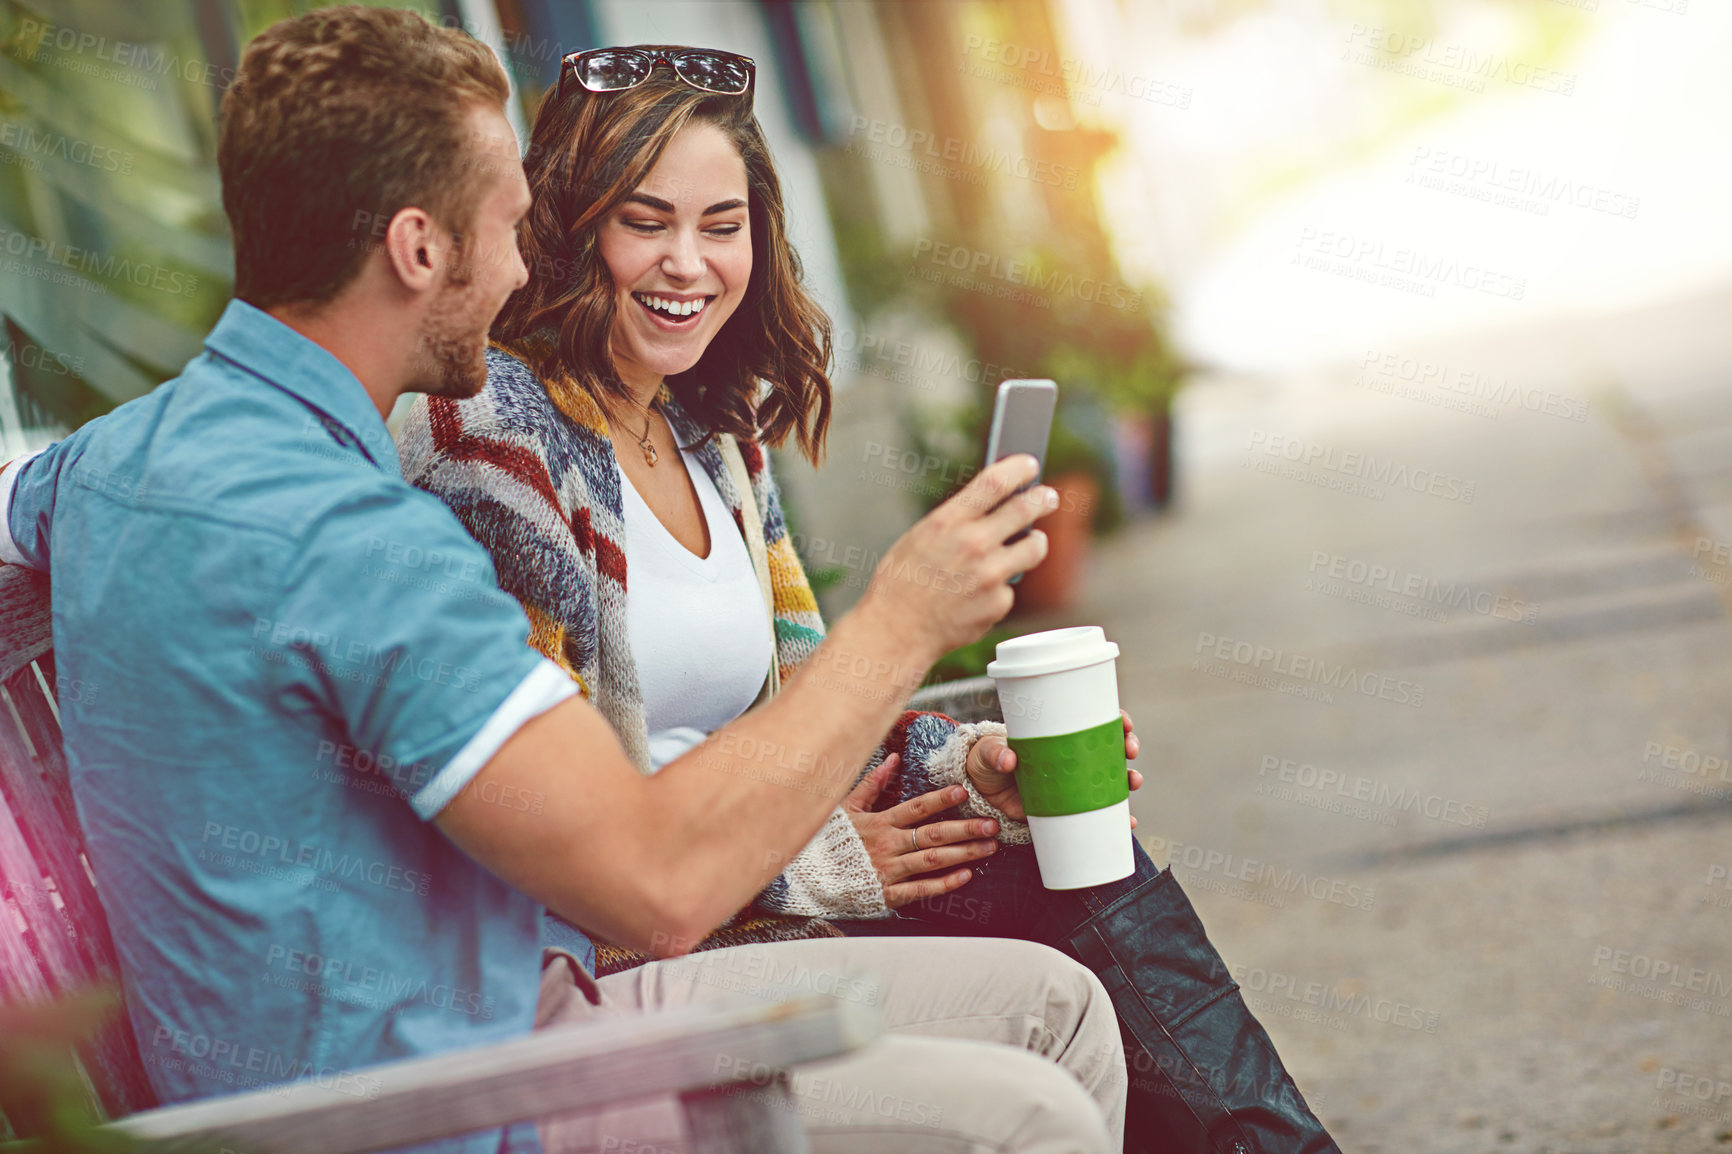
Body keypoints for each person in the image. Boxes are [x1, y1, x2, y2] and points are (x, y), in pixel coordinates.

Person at [0, 9, 1130, 1153]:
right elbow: (656, 886)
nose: (529, 263)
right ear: (417, 249)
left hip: (490, 1011)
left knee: (1057, 1011)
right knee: (1029, 1118)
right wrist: (901, 617)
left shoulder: (115, 459)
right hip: (452, 1103)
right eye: (510, 225)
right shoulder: (361, 550)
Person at [398, 43, 1340, 1154]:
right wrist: (815, 864)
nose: (688, 263)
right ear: (564, 226)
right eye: (644, 221)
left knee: (1070, 852)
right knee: (1063, 926)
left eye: (722, 223)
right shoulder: (496, 445)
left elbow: (807, 705)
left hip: (766, 870)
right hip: (648, 953)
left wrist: (965, 765)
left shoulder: (714, 435)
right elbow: (563, 838)